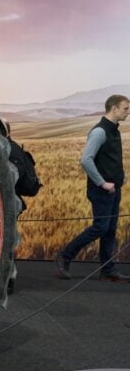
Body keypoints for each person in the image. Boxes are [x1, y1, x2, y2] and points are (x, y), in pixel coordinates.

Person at [56, 95, 130, 281]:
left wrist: (121, 176)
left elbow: (109, 158)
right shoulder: (100, 132)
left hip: (114, 189)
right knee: (100, 227)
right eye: (125, 108)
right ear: (114, 108)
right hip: (102, 191)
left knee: (110, 229)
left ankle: (107, 270)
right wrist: (102, 183)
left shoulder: (114, 130)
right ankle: (65, 256)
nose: (128, 112)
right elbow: (86, 160)